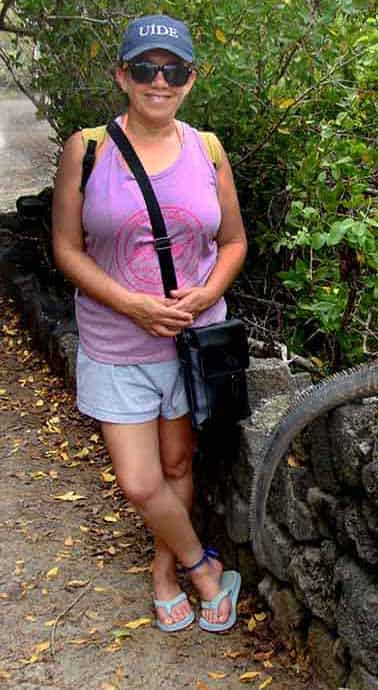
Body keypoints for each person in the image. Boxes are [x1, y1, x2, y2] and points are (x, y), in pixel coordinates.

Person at [51, 14, 248, 633]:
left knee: (177, 468)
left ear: (191, 78)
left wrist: (205, 293)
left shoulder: (208, 149)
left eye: (173, 70)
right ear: (122, 75)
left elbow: (235, 242)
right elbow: (66, 249)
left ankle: (165, 573)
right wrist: (132, 304)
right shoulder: (87, 150)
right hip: (116, 344)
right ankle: (203, 567)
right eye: (144, 68)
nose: (158, 82)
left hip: (192, 343)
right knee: (140, 482)